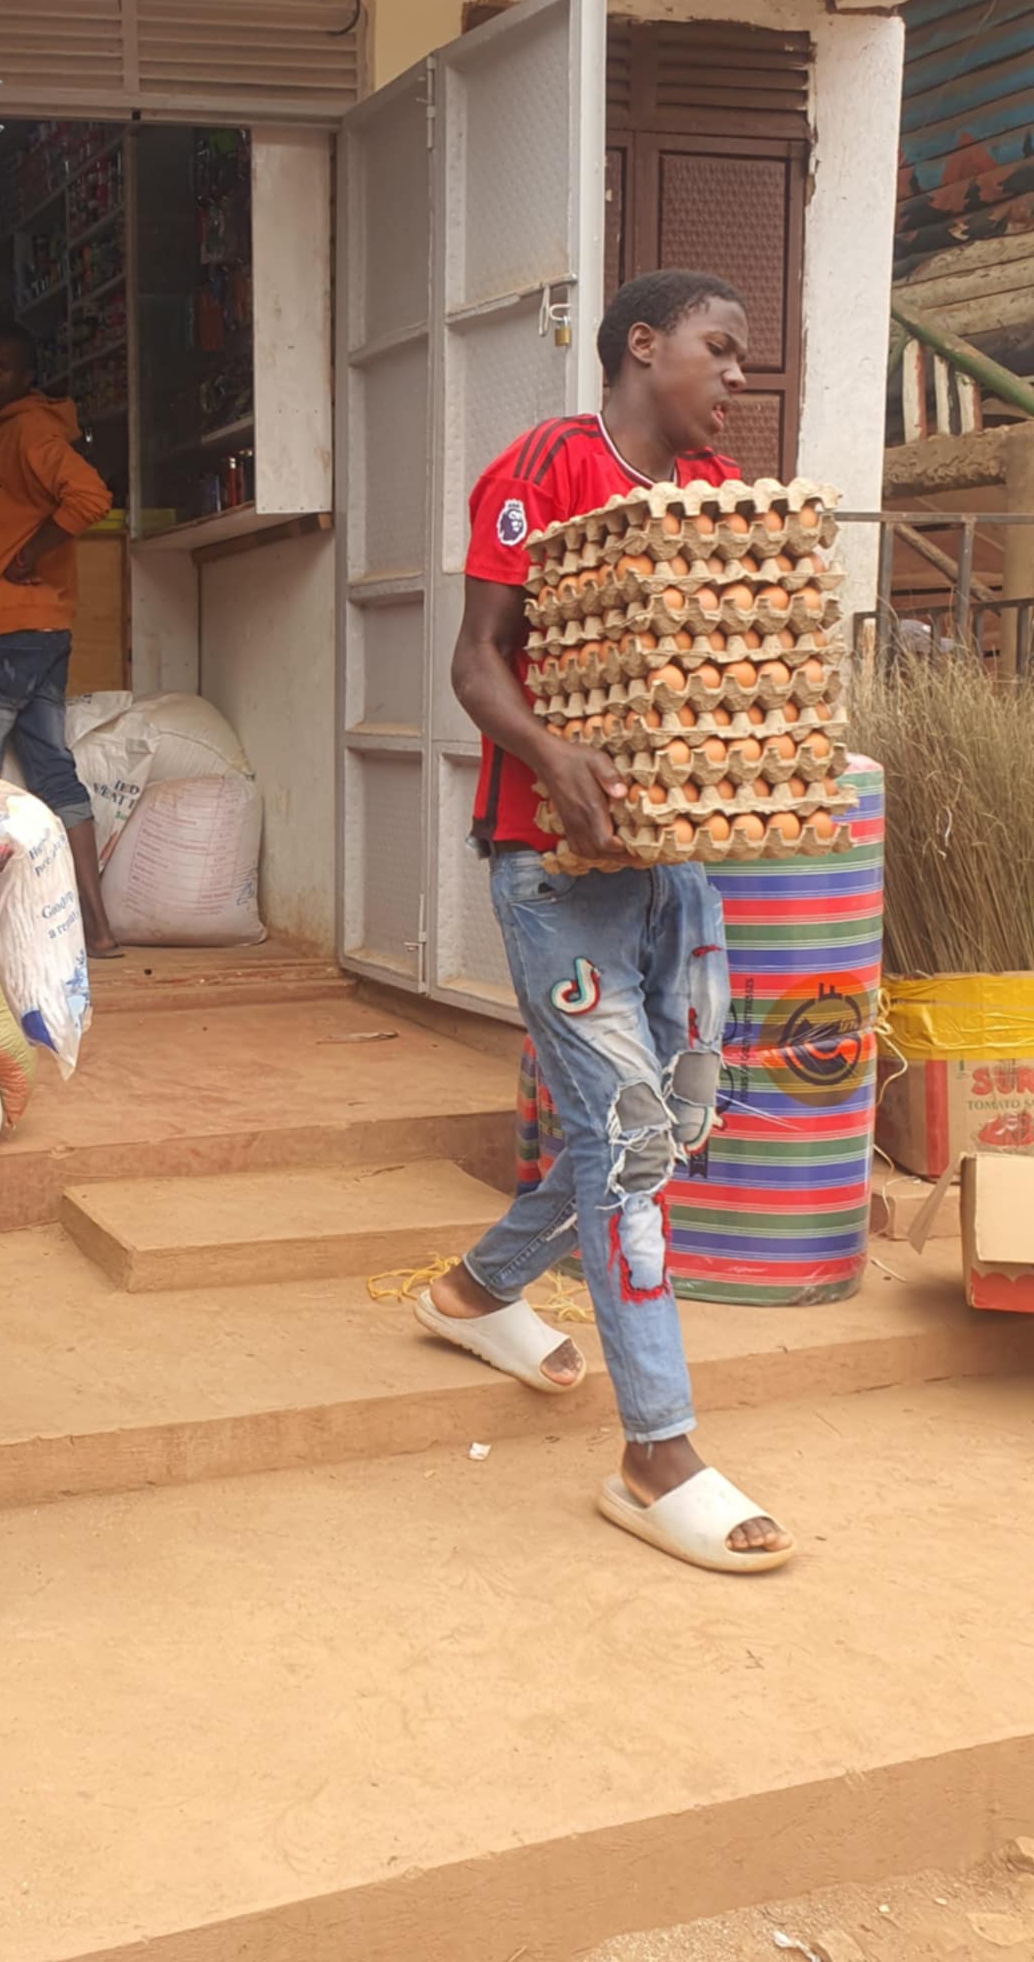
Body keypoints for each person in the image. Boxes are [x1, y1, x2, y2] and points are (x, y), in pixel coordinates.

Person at [431, 269, 794, 1574]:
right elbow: (476, 657)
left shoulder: (713, 497)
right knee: (630, 1137)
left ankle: (476, 1289)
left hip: (673, 872)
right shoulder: (545, 467)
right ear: (643, 345)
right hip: (552, 867)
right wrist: (551, 754)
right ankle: (656, 1453)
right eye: (720, 347)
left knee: (667, 1117)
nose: (738, 374)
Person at [0, 324, 123, 957]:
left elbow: (91, 496)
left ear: (27, 377)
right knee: (53, 772)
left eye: (1, 367)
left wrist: (31, 553)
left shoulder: (29, 431)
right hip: (41, 634)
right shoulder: (7, 434)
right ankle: (97, 930)